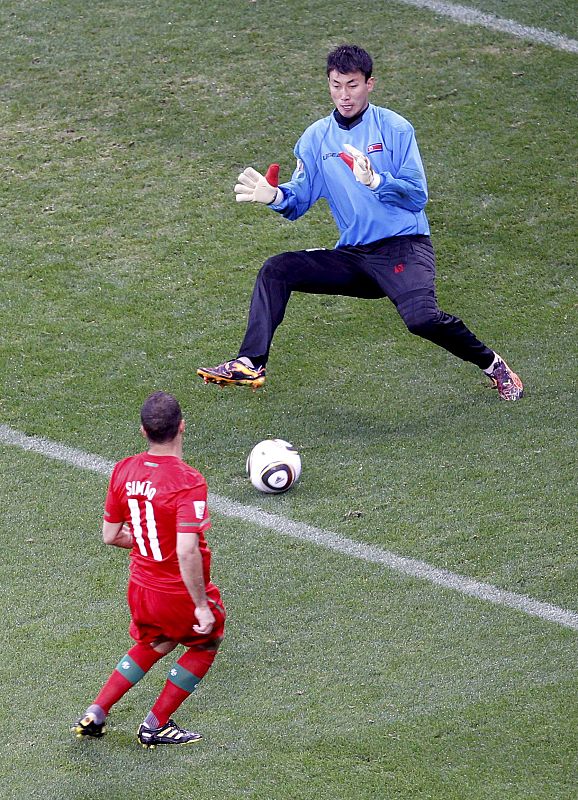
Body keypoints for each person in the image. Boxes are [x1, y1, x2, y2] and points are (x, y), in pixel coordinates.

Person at [197, 44, 523, 401]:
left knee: (422, 319)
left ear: (370, 84)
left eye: (352, 85)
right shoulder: (316, 138)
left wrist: (377, 182)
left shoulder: (395, 128)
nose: (344, 95)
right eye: (336, 85)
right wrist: (276, 197)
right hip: (354, 255)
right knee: (277, 269)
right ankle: (250, 361)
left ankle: (494, 366)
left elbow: (417, 195)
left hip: (404, 246)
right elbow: (299, 199)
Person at [72, 391, 225, 748]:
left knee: (157, 640)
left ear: (143, 431)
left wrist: (146, 542)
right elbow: (187, 549)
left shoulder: (124, 469)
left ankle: (96, 711)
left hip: (141, 587)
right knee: (206, 642)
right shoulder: (189, 480)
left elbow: (111, 535)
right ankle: (155, 724)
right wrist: (201, 605)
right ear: (182, 426)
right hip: (176, 592)